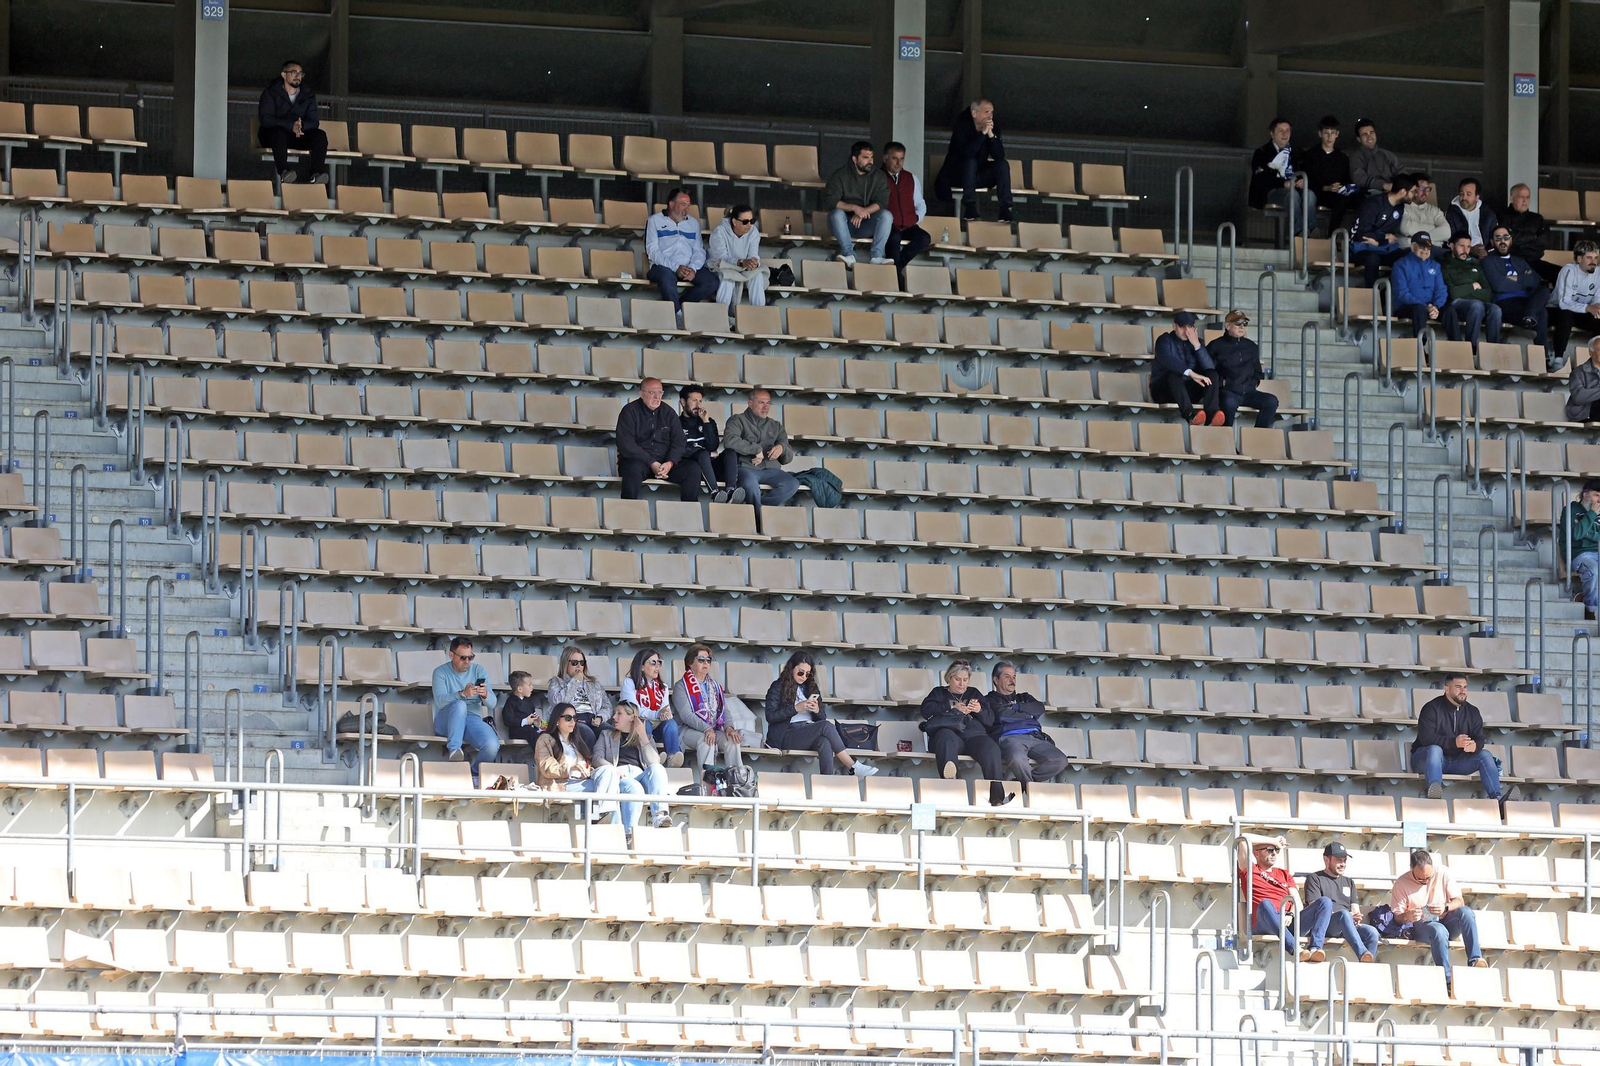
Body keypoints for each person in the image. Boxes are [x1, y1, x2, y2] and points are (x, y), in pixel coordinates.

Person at [1412, 673, 1522, 806]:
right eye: (1458, 687)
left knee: (1485, 755)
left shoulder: (1472, 711)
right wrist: (1454, 742)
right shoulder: (1431, 708)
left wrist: (1475, 745)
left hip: (1456, 761)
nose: (1463, 691)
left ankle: (1498, 800)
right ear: (1447, 689)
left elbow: (1480, 738)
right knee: (1435, 750)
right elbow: (1426, 739)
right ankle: (1435, 798)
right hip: (1426, 760)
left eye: (1465, 687)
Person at [762, 651, 876, 776]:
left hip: (807, 731)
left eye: (807, 674)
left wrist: (817, 711)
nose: (803, 677)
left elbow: (822, 718)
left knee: (824, 742)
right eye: (800, 672)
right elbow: (770, 716)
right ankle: (852, 766)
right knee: (826, 726)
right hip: (786, 734)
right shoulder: (778, 686)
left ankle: (827, 783)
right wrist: (795, 708)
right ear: (791, 669)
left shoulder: (811, 688)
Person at [1389, 849, 1484, 992]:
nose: (1426, 882)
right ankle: (1446, 979)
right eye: (1420, 879)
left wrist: (1446, 907)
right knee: (1438, 930)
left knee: (1466, 912)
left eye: (1429, 877)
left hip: (1445, 917)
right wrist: (1408, 916)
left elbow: (1459, 900)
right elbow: (1397, 917)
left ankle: (1475, 959)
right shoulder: (1402, 883)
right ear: (1411, 870)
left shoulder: (1443, 872)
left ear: (1433, 867)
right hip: (1421, 924)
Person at [591, 702, 675, 836]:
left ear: (632, 717)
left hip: (640, 776)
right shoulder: (606, 735)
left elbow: (654, 762)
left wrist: (642, 735)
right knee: (634, 788)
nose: (614, 717)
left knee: (658, 768)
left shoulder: (646, 737)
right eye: (615, 713)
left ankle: (660, 816)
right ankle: (629, 834)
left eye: (619, 713)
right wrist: (612, 769)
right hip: (620, 776)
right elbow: (596, 758)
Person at [616, 377, 705, 502]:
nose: (657, 397)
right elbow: (626, 444)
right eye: (652, 393)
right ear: (641, 394)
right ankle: (629, 514)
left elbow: (679, 442)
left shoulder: (668, 413)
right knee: (632, 469)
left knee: (693, 469)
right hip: (639, 462)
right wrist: (652, 462)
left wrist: (670, 463)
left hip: (664, 464)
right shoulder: (629, 411)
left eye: (660, 393)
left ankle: (688, 513)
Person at [977, 661, 1066, 784]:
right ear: (996, 680)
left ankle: (1024, 784)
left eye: (1014, 677)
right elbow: (1001, 715)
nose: (1012, 680)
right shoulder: (988, 700)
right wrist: (1027, 715)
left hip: (1036, 737)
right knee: (1017, 759)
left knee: (1060, 760)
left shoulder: (1024, 697)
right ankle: (1030, 788)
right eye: (1007, 676)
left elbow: (1039, 708)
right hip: (1009, 738)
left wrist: (1016, 708)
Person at [534, 702, 620, 822]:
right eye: (568, 718)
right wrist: (570, 769)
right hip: (561, 784)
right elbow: (546, 767)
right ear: (557, 720)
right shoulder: (545, 739)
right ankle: (607, 822)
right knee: (613, 790)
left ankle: (600, 813)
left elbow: (584, 765)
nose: (573, 722)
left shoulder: (575, 741)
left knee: (609, 770)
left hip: (581, 781)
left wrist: (586, 769)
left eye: (575, 718)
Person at [918, 660, 1003, 781]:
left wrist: (979, 710)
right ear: (949, 678)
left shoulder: (974, 692)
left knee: (991, 748)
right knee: (946, 737)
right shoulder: (939, 692)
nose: (962, 684)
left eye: (965, 680)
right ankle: (951, 782)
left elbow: (990, 720)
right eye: (957, 679)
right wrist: (951, 707)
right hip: (950, 736)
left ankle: (996, 794)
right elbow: (926, 710)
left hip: (974, 737)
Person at [430, 637, 501, 777]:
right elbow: (439, 702)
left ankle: (473, 775)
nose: (467, 662)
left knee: (492, 746)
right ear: (451, 655)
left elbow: (492, 704)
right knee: (460, 705)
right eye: (463, 658)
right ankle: (454, 749)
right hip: (447, 719)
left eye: (470, 657)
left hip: (471, 719)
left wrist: (485, 694)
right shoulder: (440, 672)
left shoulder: (479, 670)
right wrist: (462, 694)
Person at [934, 99, 1014, 223]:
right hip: (958, 175)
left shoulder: (993, 125)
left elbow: (999, 156)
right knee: (970, 161)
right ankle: (970, 207)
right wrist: (982, 134)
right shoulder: (962, 125)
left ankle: (1005, 209)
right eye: (987, 112)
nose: (990, 116)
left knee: (1003, 165)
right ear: (974, 113)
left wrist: (991, 136)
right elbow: (966, 154)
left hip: (979, 175)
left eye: (992, 112)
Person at [1300, 842, 1380, 963]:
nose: (1343, 864)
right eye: (1338, 860)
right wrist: (1347, 915)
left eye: (1344, 860)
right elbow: (1315, 908)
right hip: (1326, 925)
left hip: (1347, 925)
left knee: (1372, 932)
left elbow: (1355, 908)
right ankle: (1362, 953)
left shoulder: (1349, 882)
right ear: (1326, 859)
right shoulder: (1314, 878)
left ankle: (1367, 965)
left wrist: (1356, 916)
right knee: (1344, 914)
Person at [722, 388, 799, 512]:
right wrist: (755, 449)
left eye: (768, 403)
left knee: (792, 484)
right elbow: (729, 441)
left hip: (772, 470)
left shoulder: (776, 425)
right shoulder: (737, 420)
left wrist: (782, 448)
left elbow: (787, 457)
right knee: (750, 484)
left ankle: (760, 509)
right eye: (761, 402)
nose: (766, 407)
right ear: (750, 403)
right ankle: (759, 519)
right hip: (746, 468)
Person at [670, 643, 744, 771]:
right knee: (707, 741)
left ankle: (737, 781)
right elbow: (686, 715)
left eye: (708, 660)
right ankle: (709, 785)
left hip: (713, 729)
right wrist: (706, 729)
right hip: (687, 730)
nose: (705, 663)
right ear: (690, 663)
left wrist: (729, 728)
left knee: (732, 741)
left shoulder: (714, 686)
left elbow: (724, 710)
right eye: (701, 660)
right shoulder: (681, 686)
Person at [644, 188, 717, 317]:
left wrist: (693, 268)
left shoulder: (693, 223)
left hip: (688, 266)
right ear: (671, 205)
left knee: (712, 282)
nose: (687, 209)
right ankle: (678, 316)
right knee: (667, 279)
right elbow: (653, 251)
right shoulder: (654, 221)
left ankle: (678, 308)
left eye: (688, 205)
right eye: (683, 204)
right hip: (663, 266)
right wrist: (675, 267)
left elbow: (699, 250)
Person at [1483, 226, 1551, 355]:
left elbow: (1535, 280)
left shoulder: (1519, 260)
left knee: (1544, 290)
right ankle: (1544, 357)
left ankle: (1529, 318)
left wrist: (1512, 279)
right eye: (1498, 238)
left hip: (1524, 301)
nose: (1502, 241)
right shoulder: (1488, 261)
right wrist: (1523, 280)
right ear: (1492, 242)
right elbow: (1498, 285)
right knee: (1541, 312)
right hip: (1504, 303)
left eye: (1505, 237)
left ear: (1511, 240)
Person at [257, 60, 327, 186]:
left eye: (300, 74)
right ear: (284, 75)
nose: (298, 76)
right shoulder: (271, 93)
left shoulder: (308, 94)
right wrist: (290, 125)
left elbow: (314, 121)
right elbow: (266, 119)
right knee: (278, 134)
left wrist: (301, 126)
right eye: (294, 72)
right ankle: (284, 172)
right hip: (274, 136)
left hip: (298, 135)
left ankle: (316, 173)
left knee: (320, 135)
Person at [823, 141, 892, 267]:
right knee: (836, 214)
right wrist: (855, 208)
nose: (870, 161)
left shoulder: (879, 176)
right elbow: (831, 200)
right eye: (865, 157)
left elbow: (882, 202)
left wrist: (862, 213)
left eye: (871, 157)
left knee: (886, 215)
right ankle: (848, 254)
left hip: (865, 224)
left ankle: (877, 256)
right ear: (855, 159)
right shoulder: (840, 175)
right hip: (844, 225)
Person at [1208, 310, 1280, 428]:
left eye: (1244, 323)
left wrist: (1253, 383)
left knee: (1271, 401)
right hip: (1228, 392)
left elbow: (1257, 372)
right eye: (1237, 323)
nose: (1242, 326)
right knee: (1228, 403)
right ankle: (1227, 443)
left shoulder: (1251, 346)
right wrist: (1223, 383)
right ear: (1227, 325)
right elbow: (1208, 370)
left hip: (1249, 392)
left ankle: (1256, 438)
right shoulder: (1216, 345)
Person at [676, 383, 743, 506]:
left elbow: (713, 446)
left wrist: (705, 422)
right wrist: (704, 452)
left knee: (730, 452)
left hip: (711, 467)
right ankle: (715, 492)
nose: (698, 405)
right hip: (694, 469)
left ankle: (730, 491)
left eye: (700, 401)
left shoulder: (709, 422)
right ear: (683, 402)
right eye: (694, 400)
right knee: (702, 454)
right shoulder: (675, 423)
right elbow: (680, 449)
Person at [1236, 833, 1302, 956]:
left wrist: (1291, 914)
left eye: (1276, 850)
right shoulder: (1250, 869)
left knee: (1324, 903)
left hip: (1288, 920)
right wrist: (1274, 840)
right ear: (1256, 853)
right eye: (1270, 850)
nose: (1274, 853)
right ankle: (1295, 948)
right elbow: (1243, 838)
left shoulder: (1284, 874)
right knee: (1266, 903)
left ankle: (1315, 949)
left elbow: (1297, 901)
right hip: (1263, 921)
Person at [1150, 311, 1220, 426]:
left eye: (1190, 327)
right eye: (1182, 327)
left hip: (1187, 391)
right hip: (1163, 391)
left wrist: (1197, 346)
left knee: (1212, 374)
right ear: (1174, 326)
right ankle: (1190, 415)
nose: (1186, 331)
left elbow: (1209, 367)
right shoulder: (1164, 340)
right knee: (1174, 374)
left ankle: (1211, 415)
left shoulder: (1198, 342)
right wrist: (1191, 373)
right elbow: (1168, 360)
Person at [619, 646, 684, 767]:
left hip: (657, 724)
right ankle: (650, 757)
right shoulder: (630, 683)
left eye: (659, 662)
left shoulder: (662, 687)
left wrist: (666, 713)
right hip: (637, 723)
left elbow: (664, 709)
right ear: (642, 666)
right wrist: (656, 714)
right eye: (653, 662)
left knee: (671, 724)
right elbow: (634, 710)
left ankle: (672, 757)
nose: (657, 666)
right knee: (644, 723)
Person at [1298, 115, 1359, 234]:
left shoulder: (1342, 158)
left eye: (1332, 132)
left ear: (1337, 134)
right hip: (1317, 194)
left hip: (1336, 195)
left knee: (1345, 200)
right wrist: (1326, 187)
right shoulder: (1310, 156)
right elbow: (1308, 180)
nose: (1329, 136)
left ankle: (1333, 236)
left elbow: (1346, 179)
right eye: (1326, 133)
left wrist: (1341, 187)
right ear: (1320, 134)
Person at [1348, 174, 1412, 287]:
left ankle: (1386, 294)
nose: (1414, 195)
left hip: (1384, 249)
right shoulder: (1373, 204)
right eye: (1413, 191)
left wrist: (1378, 241)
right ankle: (1372, 296)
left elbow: (1392, 236)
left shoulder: (1400, 207)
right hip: (1360, 250)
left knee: (1409, 255)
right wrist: (1382, 239)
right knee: (1372, 259)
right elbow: (1363, 235)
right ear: (1403, 191)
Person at [880, 141, 930, 287]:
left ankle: (896, 269)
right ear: (885, 158)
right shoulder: (877, 177)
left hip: (908, 224)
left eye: (902, 159)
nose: (899, 163)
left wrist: (916, 218)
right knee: (894, 238)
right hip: (888, 225)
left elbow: (920, 203)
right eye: (895, 158)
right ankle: (897, 279)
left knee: (924, 238)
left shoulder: (911, 178)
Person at [1441, 234, 1503, 349]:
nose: (1465, 250)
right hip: (1456, 305)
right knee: (1477, 305)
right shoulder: (1444, 264)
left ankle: (1494, 349)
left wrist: (1465, 290)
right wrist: (1473, 286)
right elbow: (1453, 293)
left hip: (1476, 304)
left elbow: (1488, 293)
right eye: (1461, 246)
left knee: (1495, 309)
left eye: (1469, 247)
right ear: (1452, 246)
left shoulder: (1475, 264)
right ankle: (1471, 347)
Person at [1248, 117, 1307, 236]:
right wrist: (1282, 184)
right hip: (1271, 193)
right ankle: (1300, 231)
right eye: (1281, 131)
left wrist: (1303, 181)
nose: (1285, 134)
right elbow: (1261, 179)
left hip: (1295, 190)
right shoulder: (1262, 153)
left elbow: (1306, 171)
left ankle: (1310, 230)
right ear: (1272, 133)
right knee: (1292, 195)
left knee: (1310, 195)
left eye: (1288, 131)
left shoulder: (1298, 152)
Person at [545, 645, 610, 749]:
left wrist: (600, 717)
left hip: (593, 719)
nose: (579, 666)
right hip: (571, 720)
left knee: (610, 732)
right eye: (574, 663)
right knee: (587, 733)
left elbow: (607, 706)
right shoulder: (556, 682)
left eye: (582, 663)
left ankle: (611, 763)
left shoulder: (594, 683)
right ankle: (591, 763)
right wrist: (575, 681)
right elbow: (558, 703)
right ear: (566, 664)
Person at [1549, 240, 1600, 371]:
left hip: (1581, 311)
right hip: (1554, 310)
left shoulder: (1598, 273)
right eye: (1589, 258)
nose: (1594, 261)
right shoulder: (1569, 271)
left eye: (1596, 258)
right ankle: (1558, 358)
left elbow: (1597, 300)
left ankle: (1596, 360)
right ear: (1579, 258)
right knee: (1566, 315)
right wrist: (1588, 308)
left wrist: (1596, 308)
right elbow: (1564, 303)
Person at [706, 204, 767, 308]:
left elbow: (753, 254)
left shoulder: (753, 232)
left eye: (752, 221)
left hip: (743, 266)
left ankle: (759, 315)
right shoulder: (719, 231)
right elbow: (721, 259)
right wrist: (741, 262)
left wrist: (754, 262)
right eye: (745, 222)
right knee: (728, 278)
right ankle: (721, 316)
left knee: (757, 276)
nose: (749, 225)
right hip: (719, 266)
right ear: (734, 222)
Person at [1501, 184, 1560, 284]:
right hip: (1511, 262)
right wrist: (1533, 236)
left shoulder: (1537, 218)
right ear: (1512, 198)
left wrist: (1518, 238)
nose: (1525, 201)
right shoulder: (1502, 215)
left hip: (1534, 261)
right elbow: (1507, 240)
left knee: (1562, 273)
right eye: (1521, 197)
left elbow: (1544, 242)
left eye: (1527, 197)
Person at [1391, 232, 1447, 338]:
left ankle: (1457, 346)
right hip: (1407, 307)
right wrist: (1426, 307)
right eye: (1422, 247)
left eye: (1428, 247)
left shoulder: (1435, 266)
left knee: (1449, 311)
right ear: (1413, 247)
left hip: (1431, 307)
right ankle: (1421, 347)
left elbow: (1441, 290)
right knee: (1419, 309)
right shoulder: (1400, 265)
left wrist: (1435, 306)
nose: (1425, 250)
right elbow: (1402, 294)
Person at [1560, 479, 1600, 621]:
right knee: (1594, 571)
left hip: (1597, 551)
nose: (1599, 500)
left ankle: (1585, 597)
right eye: (1596, 495)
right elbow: (1575, 535)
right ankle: (1590, 609)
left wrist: (1585, 532)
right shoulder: (1571, 510)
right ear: (1586, 494)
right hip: (1578, 554)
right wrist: (1592, 515)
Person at [1446, 178, 1498, 258]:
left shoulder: (1488, 214)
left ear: (1477, 197)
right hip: (1461, 256)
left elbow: (1495, 238)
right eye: (1461, 193)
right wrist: (1470, 249)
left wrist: (1487, 252)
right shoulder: (1452, 213)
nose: (1464, 198)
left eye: (1468, 194)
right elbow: (1450, 241)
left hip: (1487, 255)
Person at [1348, 119, 1400, 195]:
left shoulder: (1388, 155)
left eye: (1371, 133)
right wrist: (1383, 185)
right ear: (1359, 139)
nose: (1369, 137)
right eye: (1365, 134)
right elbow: (1359, 178)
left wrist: (1399, 186)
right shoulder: (1355, 157)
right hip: (1368, 196)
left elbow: (1401, 172)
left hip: (1392, 194)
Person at [1400, 174, 1450, 249]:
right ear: (1412, 189)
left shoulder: (1434, 210)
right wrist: (1434, 228)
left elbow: (1447, 232)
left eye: (1427, 189)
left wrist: (1412, 238)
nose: (1425, 192)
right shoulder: (1403, 207)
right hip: (1408, 249)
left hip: (1433, 250)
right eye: (1422, 188)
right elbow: (1406, 228)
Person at [499, 670, 542, 747]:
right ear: (520, 689)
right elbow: (508, 720)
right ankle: (542, 756)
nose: (532, 687)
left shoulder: (529, 702)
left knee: (545, 734)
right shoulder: (510, 702)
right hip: (517, 731)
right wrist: (525, 721)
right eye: (529, 685)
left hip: (530, 730)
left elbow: (533, 716)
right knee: (533, 734)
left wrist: (536, 723)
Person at [1567, 341, 1600, 423]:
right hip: (1584, 413)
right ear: (1590, 352)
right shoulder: (1578, 372)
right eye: (1599, 349)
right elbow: (1578, 397)